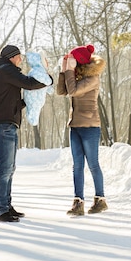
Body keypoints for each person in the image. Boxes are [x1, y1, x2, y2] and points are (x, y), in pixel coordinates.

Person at [0, 44, 52, 222]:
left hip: (7, 124)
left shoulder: (5, 72)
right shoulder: (6, 70)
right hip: (3, 126)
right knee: (5, 168)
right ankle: (1, 210)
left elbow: (16, 101)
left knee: (9, 169)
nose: (21, 60)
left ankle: (6, 206)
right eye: (19, 56)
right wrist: (48, 80)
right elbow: (29, 84)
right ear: (11, 57)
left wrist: (31, 100)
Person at [56, 44, 108, 216]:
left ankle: (100, 200)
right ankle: (78, 203)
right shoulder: (76, 77)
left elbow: (74, 90)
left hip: (90, 126)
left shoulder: (93, 78)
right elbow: (62, 90)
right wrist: (63, 71)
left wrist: (70, 72)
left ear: (80, 63)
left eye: (73, 61)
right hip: (75, 126)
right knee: (77, 165)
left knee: (93, 164)